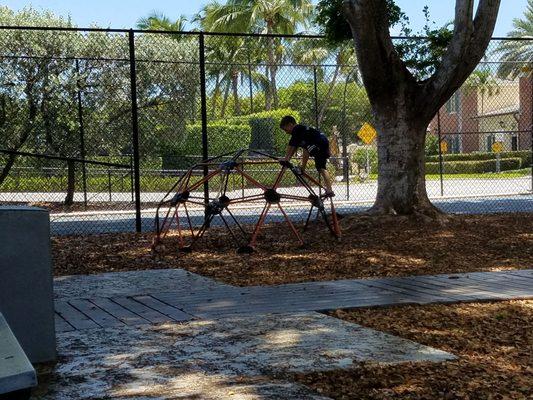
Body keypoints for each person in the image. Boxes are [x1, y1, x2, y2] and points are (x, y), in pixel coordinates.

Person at [279, 115, 334, 197]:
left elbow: (294, 147)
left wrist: (287, 159)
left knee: (321, 166)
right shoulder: (302, 133)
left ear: (290, 125)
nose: (286, 132)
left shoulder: (296, 130)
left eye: (285, 129)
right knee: (321, 167)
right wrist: (300, 166)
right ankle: (329, 190)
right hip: (323, 141)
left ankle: (329, 190)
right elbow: (298, 148)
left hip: (319, 143)